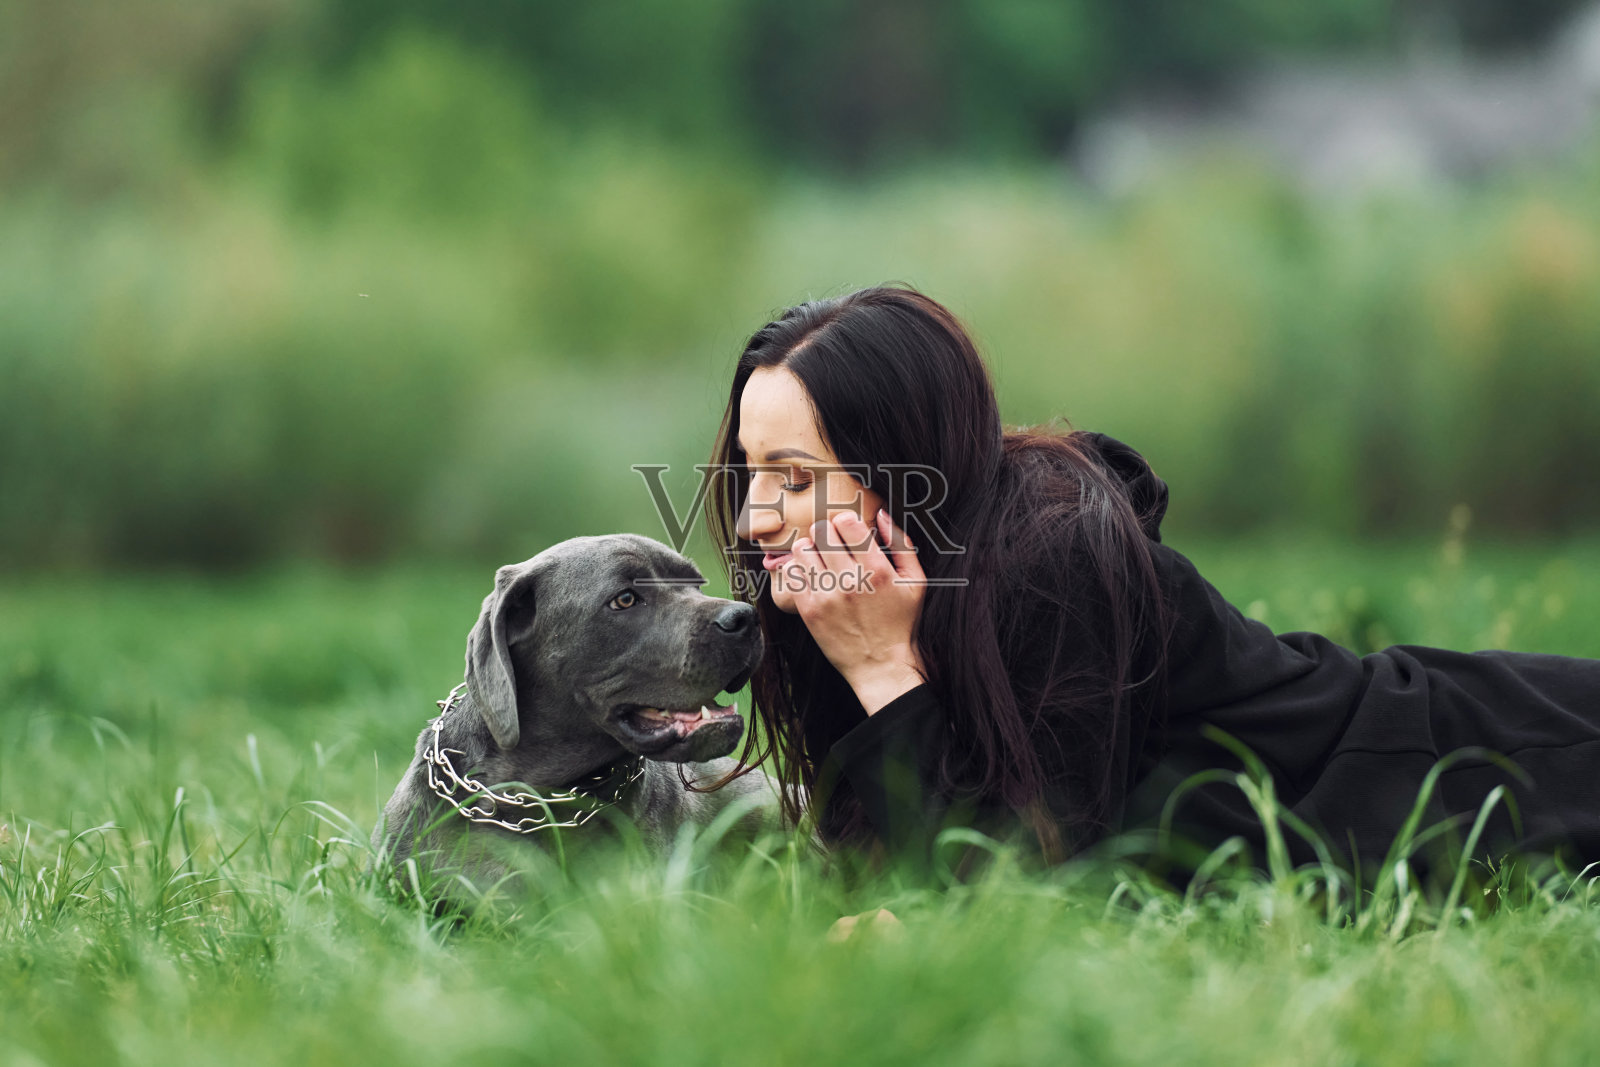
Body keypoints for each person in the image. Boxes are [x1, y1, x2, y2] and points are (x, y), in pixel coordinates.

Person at [703, 284, 1600, 881]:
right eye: (751, 476)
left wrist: (883, 675)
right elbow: (892, 862)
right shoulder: (844, 607)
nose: (754, 518)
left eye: (793, 476)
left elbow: (1021, 879)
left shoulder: (1053, 557)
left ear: (898, 471)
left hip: (1471, 771)